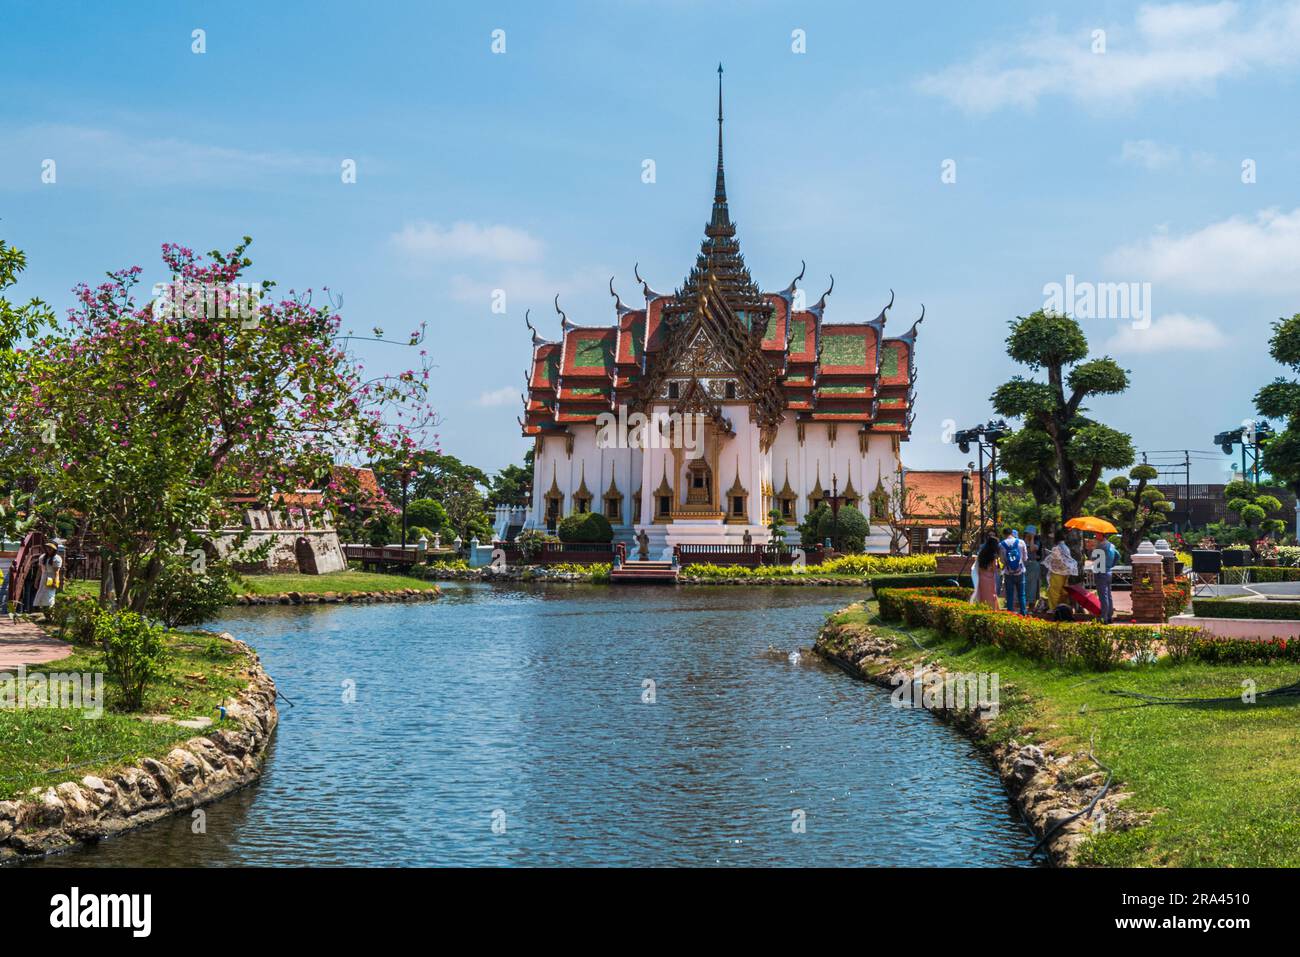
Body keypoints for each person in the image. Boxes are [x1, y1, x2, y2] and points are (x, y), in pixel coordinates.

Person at [1091, 533, 1120, 624]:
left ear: (1101, 536)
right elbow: (1118, 556)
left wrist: (1092, 549)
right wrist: (1111, 565)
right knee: (1108, 595)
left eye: (1097, 535)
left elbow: (1093, 559)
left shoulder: (1100, 547)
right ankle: (1109, 616)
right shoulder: (1111, 545)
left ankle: (1104, 618)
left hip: (1101, 572)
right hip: (1108, 571)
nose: (1095, 536)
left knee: (1103, 596)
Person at [999, 526, 1028, 614]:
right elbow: (1025, 558)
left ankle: (1010, 612)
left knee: (1009, 594)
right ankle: (1023, 612)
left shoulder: (1001, 544)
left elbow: (1002, 561)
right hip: (1020, 571)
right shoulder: (1021, 542)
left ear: (1004, 534)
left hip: (1008, 572)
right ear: (1012, 533)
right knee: (1021, 594)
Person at [1044, 533, 1077, 610]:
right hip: (1065, 573)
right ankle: (1064, 609)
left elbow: (1057, 560)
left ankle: (1054, 609)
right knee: (1063, 592)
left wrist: (1049, 555)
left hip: (1057, 573)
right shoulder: (1066, 547)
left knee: (1054, 592)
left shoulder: (1057, 548)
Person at [33, 541, 63, 618]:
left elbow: (57, 572)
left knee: (49, 595)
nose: (48, 549)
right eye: (48, 548)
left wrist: (55, 582)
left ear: (54, 549)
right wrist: (36, 580)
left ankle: (50, 614)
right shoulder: (42, 557)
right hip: (44, 576)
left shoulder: (57, 558)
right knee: (41, 594)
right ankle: (44, 613)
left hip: (51, 578)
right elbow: (39, 570)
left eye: (51, 548)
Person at [975, 533, 1000, 608]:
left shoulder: (981, 553)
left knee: (983, 594)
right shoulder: (993, 556)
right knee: (991, 595)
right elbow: (994, 568)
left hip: (981, 576)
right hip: (990, 578)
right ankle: (991, 610)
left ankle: (983, 608)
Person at [1023, 525, 1043, 610]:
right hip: (1024, 565)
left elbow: (1032, 549)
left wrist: (1032, 539)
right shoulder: (1022, 541)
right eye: (1027, 533)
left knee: (1033, 586)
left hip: (1033, 565)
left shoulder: (1037, 541)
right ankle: (1023, 604)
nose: (1028, 534)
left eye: (1030, 533)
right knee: (1024, 585)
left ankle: (1032, 605)